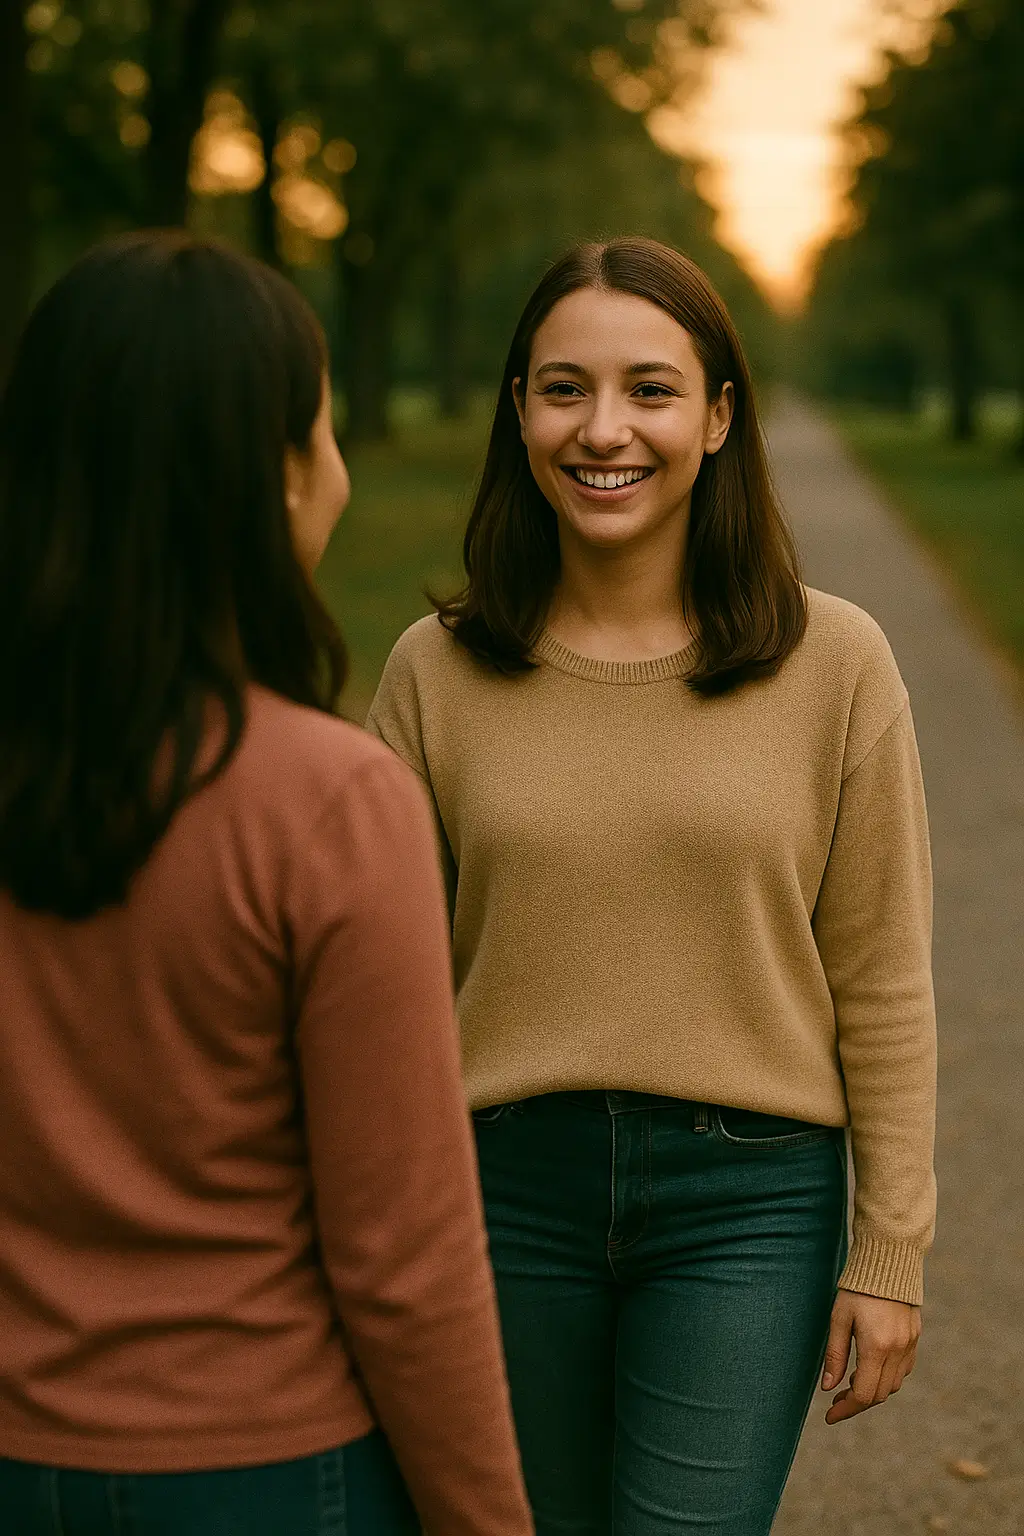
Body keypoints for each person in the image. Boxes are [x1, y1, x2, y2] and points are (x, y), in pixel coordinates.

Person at [366, 237, 937, 1535]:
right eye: (563, 388)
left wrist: (889, 1256)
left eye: (651, 389)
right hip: (498, 1194)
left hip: (746, 1202)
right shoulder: (430, 674)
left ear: (722, 416)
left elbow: (884, 980)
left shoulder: (835, 662)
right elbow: (376, 995)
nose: (603, 429)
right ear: (516, 411)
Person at [0, 232, 534, 1536]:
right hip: (263, 1470)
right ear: (278, 479)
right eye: (326, 427)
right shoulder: (328, 803)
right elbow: (403, 1257)